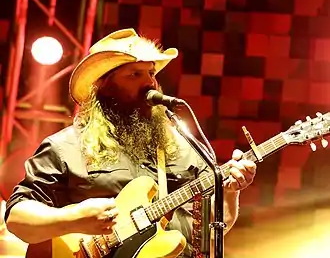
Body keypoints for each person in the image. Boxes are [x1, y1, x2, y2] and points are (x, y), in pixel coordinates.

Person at [4, 28, 256, 257]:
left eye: (151, 73)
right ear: (104, 86)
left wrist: (231, 192)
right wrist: (73, 218)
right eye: (135, 74)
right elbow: (17, 218)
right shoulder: (65, 146)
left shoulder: (183, 147)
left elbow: (209, 232)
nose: (150, 82)